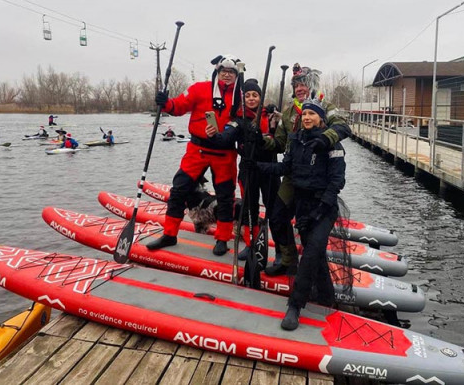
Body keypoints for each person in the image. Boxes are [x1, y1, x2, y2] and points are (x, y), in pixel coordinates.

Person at [258, 98, 349, 330]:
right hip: (303, 206)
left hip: (324, 209)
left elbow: (337, 181)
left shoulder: (333, 144)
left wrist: (321, 209)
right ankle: (327, 297)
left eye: (312, 114)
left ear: (321, 118)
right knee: (316, 256)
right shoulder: (295, 140)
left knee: (310, 253)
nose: (307, 117)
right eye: (305, 114)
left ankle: (295, 306)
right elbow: (284, 169)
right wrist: (257, 166)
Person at [146, 54, 243, 256]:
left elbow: (248, 121)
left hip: (224, 153)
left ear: (236, 75)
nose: (226, 75)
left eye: (231, 73)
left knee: (225, 197)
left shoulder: (241, 96)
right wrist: (165, 103)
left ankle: (223, 238)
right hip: (197, 150)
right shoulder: (200, 88)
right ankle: (170, 234)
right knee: (179, 189)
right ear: (217, 72)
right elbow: (178, 106)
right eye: (223, 72)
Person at [260, 64, 352, 276]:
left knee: (310, 225)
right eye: (296, 85)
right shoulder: (288, 112)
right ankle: (287, 259)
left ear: (311, 85)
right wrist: (262, 139)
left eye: (303, 84)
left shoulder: (324, 106)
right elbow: (280, 144)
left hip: (317, 177)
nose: (299, 88)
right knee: (277, 216)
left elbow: (343, 127)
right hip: (292, 175)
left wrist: (324, 139)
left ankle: (313, 263)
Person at [206, 78, 280, 260]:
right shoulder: (238, 120)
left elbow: (281, 143)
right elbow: (225, 138)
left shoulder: (271, 116)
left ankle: (280, 249)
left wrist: (275, 124)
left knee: (275, 210)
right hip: (249, 170)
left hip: (270, 169)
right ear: (243, 99)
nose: (252, 99)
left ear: (260, 97)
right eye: (247, 96)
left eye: (255, 95)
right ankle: (251, 244)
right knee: (249, 209)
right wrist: (213, 135)